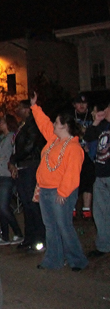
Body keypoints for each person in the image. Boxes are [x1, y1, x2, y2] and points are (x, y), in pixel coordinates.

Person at [30, 92, 88, 271]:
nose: (54, 124)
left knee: (64, 226)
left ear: (64, 126)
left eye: (57, 122)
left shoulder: (74, 147)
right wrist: (34, 107)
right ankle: (53, 260)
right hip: (46, 190)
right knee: (51, 227)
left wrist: (63, 192)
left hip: (60, 192)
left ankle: (77, 260)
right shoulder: (54, 140)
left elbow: (72, 173)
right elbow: (44, 124)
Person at [9, 99, 48, 252]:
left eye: (19, 107)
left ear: (27, 109)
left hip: (31, 166)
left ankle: (39, 238)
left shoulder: (33, 125)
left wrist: (14, 159)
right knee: (26, 204)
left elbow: (29, 147)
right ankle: (30, 237)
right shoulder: (23, 125)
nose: (17, 109)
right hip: (23, 166)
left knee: (33, 204)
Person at [82, 100, 110, 258]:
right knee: (100, 213)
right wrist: (97, 121)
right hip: (100, 175)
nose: (105, 111)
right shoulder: (102, 126)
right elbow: (88, 136)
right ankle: (104, 245)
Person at [0, 114, 24, 245]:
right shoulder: (0, 139)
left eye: (2, 122)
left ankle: (18, 232)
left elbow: (2, 154)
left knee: (4, 207)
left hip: (6, 175)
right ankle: (5, 236)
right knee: (0, 207)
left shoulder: (11, 138)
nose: (0, 124)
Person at [72, 94, 95, 219]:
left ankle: (87, 210)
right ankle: (73, 208)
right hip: (74, 155)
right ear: (74, 105)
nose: (81, 105)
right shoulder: (70, 118)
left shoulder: (93, 118)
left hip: (88, 155)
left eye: (84, 103)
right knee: (74, 181)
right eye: (79, 103)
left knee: (88, 181)